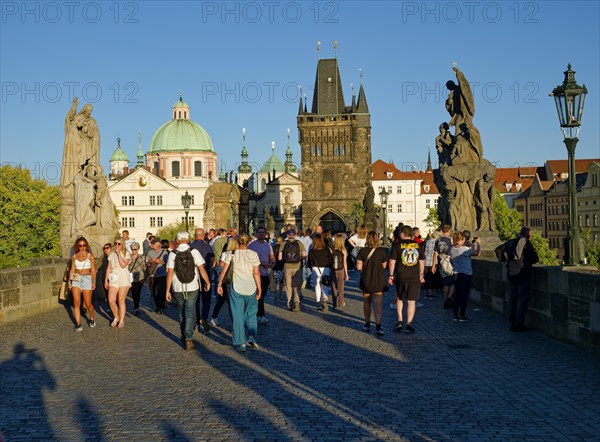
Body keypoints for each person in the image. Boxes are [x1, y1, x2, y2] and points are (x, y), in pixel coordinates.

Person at [166, 232, 211, 351]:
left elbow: (170, 272)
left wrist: (167, 290)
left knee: (181, 312)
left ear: (177, 240)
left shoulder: (172, 254)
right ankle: (189, 338)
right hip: (192, 286)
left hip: (178, 287)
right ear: (188, 239)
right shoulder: (194, 252)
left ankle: (184, 334)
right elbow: (202, 269)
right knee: (190, 312)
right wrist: (207, 282)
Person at [217, 233, 261, 352]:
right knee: (252, 313)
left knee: (237, 316)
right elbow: (256, 273)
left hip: (236, 287)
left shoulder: (231, 254)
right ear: (249, 242)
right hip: (251, 287)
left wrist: (219, 284)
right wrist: (259, 288)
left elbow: (223, 271)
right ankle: (251, 336)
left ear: (238, 241)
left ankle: (240, 343)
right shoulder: (253, 254)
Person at [388, 226, 425, 333]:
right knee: (411, 301)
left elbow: (392, 262)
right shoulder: (418, 245)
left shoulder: (397, 245)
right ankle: (409, 324)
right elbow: (422, 261)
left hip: (401, 275)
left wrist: (391, 275)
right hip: (414, 276)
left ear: (403, 234)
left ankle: (400, 321)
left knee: (400, 298)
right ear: (412, 235)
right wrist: (421, 275)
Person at [356, 231, 389, 335]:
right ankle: (378, 325)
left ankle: (367, 323)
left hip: (366, 279)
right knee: (378, 304)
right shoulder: (382, 251)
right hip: (379, 279)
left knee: (367, 302)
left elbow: (359, 267)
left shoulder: (362, 251)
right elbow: (384, 266)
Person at [507, 227, 539, 332]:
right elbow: (535, 258)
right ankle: (519, 324)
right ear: (528, 235)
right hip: (522, 274)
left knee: (512, 299)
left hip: (511, 273)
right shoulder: (526, 243)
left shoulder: (512, 242)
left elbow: (500, 251)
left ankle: (512, 323)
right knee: (522, 300)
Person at [449, 231, 481, 322]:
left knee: (457, 295)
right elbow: (477, 253)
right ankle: (462, 314)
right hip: (466, 275)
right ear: (462, 239)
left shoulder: (451, 249)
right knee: (464, 295)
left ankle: (455, 315)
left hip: (456, 274)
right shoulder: (464, 249)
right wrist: (478, 243)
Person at [67, 237, 97, 331]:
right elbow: (72, 269)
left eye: (84, 245)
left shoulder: (90, 256)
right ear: (77, 246)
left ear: (86, 245)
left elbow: (93, 270)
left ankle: (92, 319)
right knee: (76, 302)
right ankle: (78, 324)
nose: (82, 247)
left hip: (87, 278)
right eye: (80, 245)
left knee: (88, 304)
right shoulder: (74, 256)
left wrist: (93, 282)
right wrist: (69, 281)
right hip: (76, 278)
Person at [248, 226, 274, 324]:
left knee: (262, 294)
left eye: (263, 232)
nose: (261, 234)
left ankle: (258, 314)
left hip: (265, 273)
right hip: (255, 273)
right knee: (259, 295)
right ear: (256, 234)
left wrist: (272, 261)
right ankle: (260, 315)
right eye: (259, 232)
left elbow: (271, 256)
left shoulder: (268, 245)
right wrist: (263, 263)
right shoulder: (252, 246)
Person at [190, 228, 214, 333]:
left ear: (195, 235)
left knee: (195, 299)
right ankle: (204, 318)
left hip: (193, 274)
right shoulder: (208, 246)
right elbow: (213, 262)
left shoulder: (190, 247)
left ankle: (196, 323)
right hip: (205, 272)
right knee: (206, 298)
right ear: (203, 235)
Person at [105, 237, 131, 328]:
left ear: (123, 244)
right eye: (115, 243)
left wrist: (119, 254)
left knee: (121, 300)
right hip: (113, 277)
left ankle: (122, 320)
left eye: (119, 244)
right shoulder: (111, 255)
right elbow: (109, 267)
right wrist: (106, 280)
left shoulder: (127, 253)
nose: (116, 245)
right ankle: (116, 317)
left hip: (123, 277)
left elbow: (123, 265)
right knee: (111, 300)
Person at [210, 237, 237, 327]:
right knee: (230, 302)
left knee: (222, 299)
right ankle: (235, 322)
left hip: (226, 279)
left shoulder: (225, 253)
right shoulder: (237, 254)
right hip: (232, 279)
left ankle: (214, 317)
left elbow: (220, 267)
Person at [278, 228, 307, 312]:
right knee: (296, 285)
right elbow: (304, 255)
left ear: (287, 235)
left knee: (288, 286)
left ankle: (289, 304)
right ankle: (297, 301)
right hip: (297, 267)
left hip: (287, 267)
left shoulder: (284, 243)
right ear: (295, 235)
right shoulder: (299, 243)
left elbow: (279, 258)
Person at [307, 234, 333, 311]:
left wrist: (311, 268)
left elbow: (309, 262)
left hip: (315, 268)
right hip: (325, 268)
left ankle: (318, 303)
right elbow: (331, 259)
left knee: (317, 285)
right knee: (325, 284)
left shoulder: (312, 251)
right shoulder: (327, 249)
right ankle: (325, 297)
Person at [432, 224, 455, 309]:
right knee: (453, 282)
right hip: (449, 263)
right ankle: (449, 298)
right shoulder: (451, 240)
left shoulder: (438, 240)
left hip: (441, 263)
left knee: (445, 283)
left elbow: (435, 253)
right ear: (449, 231)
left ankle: (445, 300)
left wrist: (434, 265)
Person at [146, 238, 168, 314]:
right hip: (152, 275)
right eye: (151, 243)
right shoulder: (149, 252)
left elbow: (168, 264)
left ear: (158, 244)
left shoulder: (165, 253)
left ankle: (161, 306)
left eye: (153, 243)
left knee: (161, 292)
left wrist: (160, 261)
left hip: (162, 274)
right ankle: (157, 306)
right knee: (154, 292)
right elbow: (147, 264)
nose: (151, 245)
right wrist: (150, 261)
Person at [330, 233, 349, 311]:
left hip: (333, 269)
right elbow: (344, 263)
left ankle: (334, 302)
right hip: (341, 270)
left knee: (333, 286)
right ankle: (341, 302)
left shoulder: (331, 250)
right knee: (341, 286)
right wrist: (346, 273)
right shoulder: (344, 250)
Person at [128, 241, 146, 315]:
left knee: (137, 292)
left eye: (135, 249)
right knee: (133, 292)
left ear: (138, 249)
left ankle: (136, 307)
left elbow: (144, 267)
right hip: (130, 277)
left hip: (139, 277)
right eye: (132, 249)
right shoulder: (128, 257)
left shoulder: (142, 257)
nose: (133, 251)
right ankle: (135, 306)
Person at [424, 230, 442, 299]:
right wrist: (434, 265)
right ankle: (431, 294)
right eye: (439, 236)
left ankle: (427, 293)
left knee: (427, 278)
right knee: (432, 278)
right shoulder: (436, 242)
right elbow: (435, 253)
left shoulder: (428, 241)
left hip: (426, 261)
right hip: (433, 262)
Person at [270, 235, 285, 301]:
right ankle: (280, 294)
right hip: (281, 266)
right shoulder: (283, 248)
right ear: (281, 241)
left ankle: (275, 294)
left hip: (274, 266)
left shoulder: (273, 247)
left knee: (275, 281)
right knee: (281, 281)